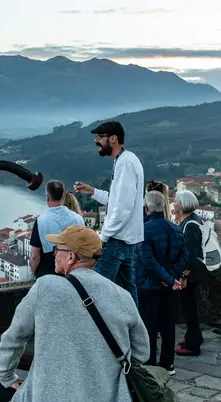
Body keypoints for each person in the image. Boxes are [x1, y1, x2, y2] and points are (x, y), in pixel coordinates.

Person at [0, 225, 149, 402]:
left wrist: (7, 376)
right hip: (108, 396)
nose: (54, 254)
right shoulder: (123, 297)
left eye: (57, 249)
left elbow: (14, 338)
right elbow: (142, 352)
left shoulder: (45, 287)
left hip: (48, 396)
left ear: (71, 257)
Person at [74, 121, 145, 304]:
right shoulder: (126, 160)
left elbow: (122, 209)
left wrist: (102, 238)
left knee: (97, 291)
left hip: (117, 241)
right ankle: (134, 331)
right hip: (127, 241)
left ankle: (102, 331)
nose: (96, 141)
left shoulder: (125, 164)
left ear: (113, 139)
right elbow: (117, 200)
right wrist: (93, 192)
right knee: (127, 294)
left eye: (100, 137)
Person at [137, 191, 188, 374]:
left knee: (149, 327)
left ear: (147, 208)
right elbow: (185, 255)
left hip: (149, 285)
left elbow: (148, 262)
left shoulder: (144, 230)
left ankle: (150, 363)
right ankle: (168, 364)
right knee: (168, 325)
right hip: (169, 286)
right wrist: (171, 278)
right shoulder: (175, 228)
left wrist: (166, 278)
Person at [173, 190, 208, 357]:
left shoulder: (190, 225)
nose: (173, 203)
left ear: (183, 204)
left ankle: (193, 344)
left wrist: (184, 275)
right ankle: (193, 336)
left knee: (189, 308)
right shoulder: (192, 220)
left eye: (176, 201)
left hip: (191, 273)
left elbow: (191, 254)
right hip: (195, 271)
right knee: (190, 306)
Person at [30, 180, 85, 278]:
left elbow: (35, 256)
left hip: (47, 274)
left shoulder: (40, 221)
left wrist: (33, 273)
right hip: (72, 273)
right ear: (63, 197)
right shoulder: (78, 218)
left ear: (47, 197)